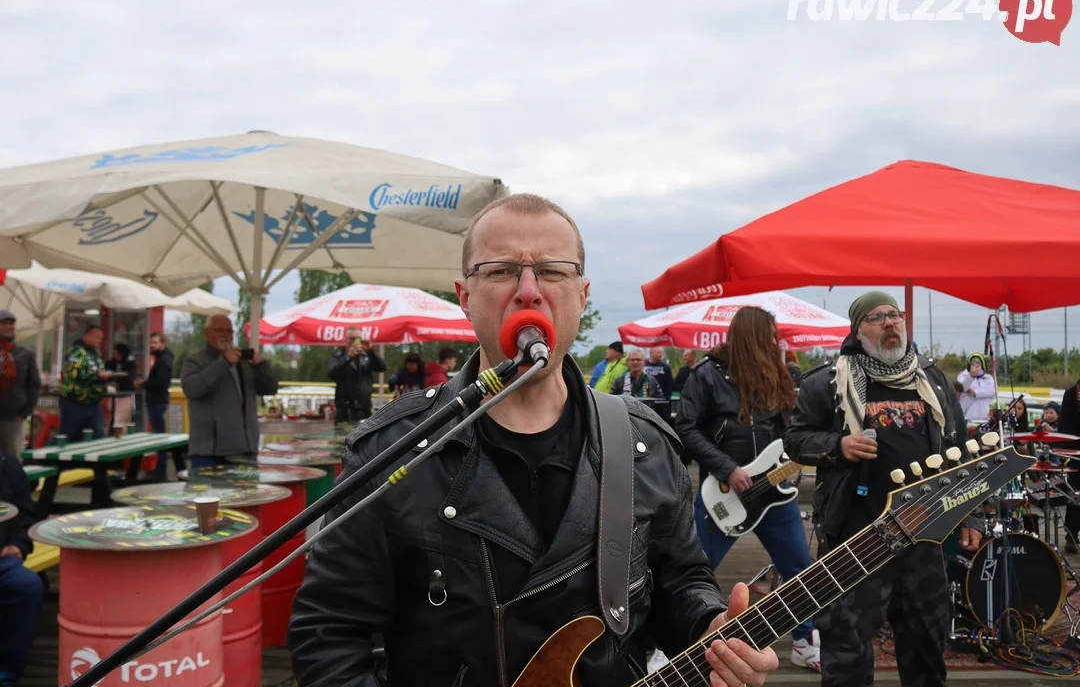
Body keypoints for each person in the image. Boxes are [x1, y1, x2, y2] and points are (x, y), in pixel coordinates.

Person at [288, 194, 778, 686]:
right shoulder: (391, 450)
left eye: (552, 270)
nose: (528, 290)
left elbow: (680, 580)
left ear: (582, 296)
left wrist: (710, 626)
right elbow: (329, 635)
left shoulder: (642, 442)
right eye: (501, 270)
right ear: (465, 295)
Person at [784, 290, 980, 687]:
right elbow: (795, 439)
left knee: (927, 642)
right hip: (857, 536)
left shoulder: (934, 381)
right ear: (858, 330)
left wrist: (970, 513)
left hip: (923, 535)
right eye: (877, 317)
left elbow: (960, 453)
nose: (891, 323)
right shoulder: (828, 382)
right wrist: (837, 446)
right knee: (847, 648)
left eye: (895, 315)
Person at [675, 306, 820, 671]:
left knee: (799, 567)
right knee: (695, 571)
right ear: (753, 337)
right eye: (769, 335)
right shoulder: (706, 375)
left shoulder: (776, 375)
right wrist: (726, 467)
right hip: (722, 493)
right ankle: (673, 644)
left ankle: (804, 641)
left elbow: (787, 431)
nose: (776, 341)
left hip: (773, 493)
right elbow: (686, 428)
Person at [180, 315, 279, 468]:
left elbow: (271, 389)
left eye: (229, 331)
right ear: (207, 333)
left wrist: (262, 365)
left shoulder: (243, 363)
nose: (225, 335)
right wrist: (223, 362)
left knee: (247, 492)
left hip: (245, 448)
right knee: (208, 492)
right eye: (220, 331)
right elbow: (192, 389)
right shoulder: (195, 361)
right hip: (209, 452)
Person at [0, 451, 44, 685]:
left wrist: (18, 544)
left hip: (2, 562)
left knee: (26, 586)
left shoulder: (6, 464)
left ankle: (7, 672)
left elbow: (25, 511)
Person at [0, 310, 40, 459]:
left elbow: (34, 385)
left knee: (12, 461)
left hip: (13, 418)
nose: (9, 327)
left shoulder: (25, 354)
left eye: (11, 324)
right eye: (4, 323)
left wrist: (23, 413)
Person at [59, 325, 109, 442]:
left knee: (99, 438)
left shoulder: (96, 354)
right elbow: (74, 374)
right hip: (75, 403)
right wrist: (97, 376)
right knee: (68, 437)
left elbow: (99, 370)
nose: (100, 341)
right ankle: (48, 459)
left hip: (93, 404)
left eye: (101, 338)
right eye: (97, 337)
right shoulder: (76, 352)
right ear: (87, 336)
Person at [135, 332, 174, 479]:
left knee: (159, 436)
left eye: (155, 343)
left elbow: (160, 382)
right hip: (158, 400)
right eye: (151, 342)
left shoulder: (163, 361)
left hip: (157, 401)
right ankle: (159, 468)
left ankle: (160, 470)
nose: (152, 345)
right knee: (159, 434)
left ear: (162, 344)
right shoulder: (163, 358)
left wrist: (143, 384)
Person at [328, 329, 387, 424]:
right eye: (353, 338)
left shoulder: (366, 355)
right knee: (342, 435)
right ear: (346, 340)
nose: (356, 341)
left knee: (364, 436)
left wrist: (371, 350)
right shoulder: (338, 356)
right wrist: (348, 358)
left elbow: (382, 367)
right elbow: (332, 373)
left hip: (364, 407)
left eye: (359, 338)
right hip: (344, 408)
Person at [1060, 380, 1079, 553]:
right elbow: (1065, 425)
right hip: (1076, 451)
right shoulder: (1072, 393)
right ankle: (1071, 534)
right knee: (1075, 493)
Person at [956, 353, 996, 422]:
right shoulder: (963, 376)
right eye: (973, 363)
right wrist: (971, 376)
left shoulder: (988, 378)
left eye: (978, 363)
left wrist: (975, 393)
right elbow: (962, 388)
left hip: (986, 417)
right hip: (967, 417)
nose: (976, 366)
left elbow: (992, 392)